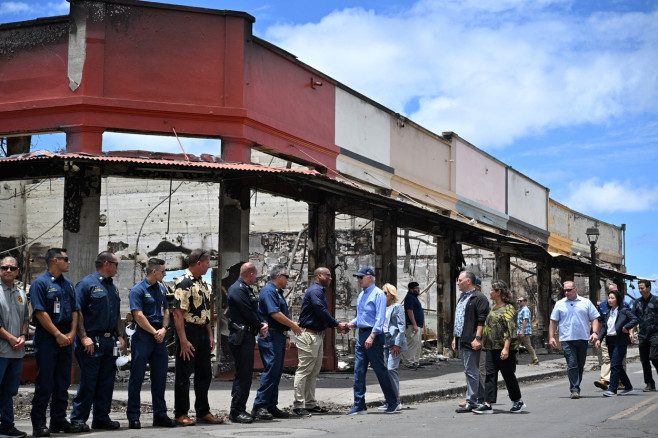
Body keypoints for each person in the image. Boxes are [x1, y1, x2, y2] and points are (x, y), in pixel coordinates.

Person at [69, 251, 125, 431]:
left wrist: (121, 335)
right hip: (92, 340)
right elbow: (77, 313)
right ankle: (78, 419)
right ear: (107, 263)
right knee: (89, 381)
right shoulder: (86, 284)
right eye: (116, 264)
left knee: (106, 382)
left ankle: (101, 417)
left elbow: (116, 314)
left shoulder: (112, 287)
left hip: (109, 342)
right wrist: (84, 337)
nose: (117, 268)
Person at [30, 248, 80, 437]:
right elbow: (40, 313)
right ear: (55, 261)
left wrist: (72, 333)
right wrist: (58, 334)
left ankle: (58, 420)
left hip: (67, 338)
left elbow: (75, 310)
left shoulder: (68, 284)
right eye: (66, 259)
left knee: (62, 382)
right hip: (48, 339)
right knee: (45, 382)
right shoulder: (40, 284)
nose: (69, 262)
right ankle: (39, 423)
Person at [172, 249, 223, 426]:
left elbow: (206, 312)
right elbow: (178, 314)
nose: (210, 266)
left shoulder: (202, 283)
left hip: (202, 331)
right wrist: (184, 341)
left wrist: (210, 335)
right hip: (188, 331)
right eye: (208, 263)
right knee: (184, 375)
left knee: (204, 374)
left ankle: (202, 411)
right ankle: (181, 413)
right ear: (199, 263)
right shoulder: (183, 282)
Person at [126, 258, 176, 429]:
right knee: (137, 377)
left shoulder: (161, 289)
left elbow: (167, 310)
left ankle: (160, 415)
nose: (165, 274)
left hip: (159, 336)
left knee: (160, 378)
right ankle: (133, 416)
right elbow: (138, 315)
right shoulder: (138, 290)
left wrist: (163, 329)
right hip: (143, 336)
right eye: (163, 271)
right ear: (154, 271)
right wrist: (154, 332)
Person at [343, 266, 399, 415]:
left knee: (380, 369)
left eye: (361, 277)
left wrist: (372, 336)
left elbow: (379, 318)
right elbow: (362, 316)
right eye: (358, 277)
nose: (359, 280)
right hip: (362, 335)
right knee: (358, 371)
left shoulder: (378, 294)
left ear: (370, 277)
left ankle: (392, 401)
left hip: (373, 335)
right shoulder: (362, 295)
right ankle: (359, 404)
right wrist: (351, 323)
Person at [251, 265, 302, 420]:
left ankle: (271, 404)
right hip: (270, 336)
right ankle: (260, 406)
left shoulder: (278, 293)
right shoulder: (269, 292)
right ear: (279, 276)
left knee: (277, 371)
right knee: (271, 369)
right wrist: (293, 325)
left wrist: (286, 334)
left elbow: (281, 315)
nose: (288, 280)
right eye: (287, 277)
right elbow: (275, 314)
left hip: (278, 335)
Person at [292, 267, 345, 417]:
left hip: (317, 335)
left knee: (313, 371)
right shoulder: (315, 291)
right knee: (304, 371)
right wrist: (336, 324)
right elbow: (320, 310)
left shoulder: (320, 291)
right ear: (318, 275)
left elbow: (321, 315)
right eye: (328, 275)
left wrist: (336, 325)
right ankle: (298, 405)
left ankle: (310, 404)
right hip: (309, 335)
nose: (330, 278)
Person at [474, 280, 525, 414]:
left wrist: (506, 348)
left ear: (499, 292)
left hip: (504, 348)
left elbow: (510, 330)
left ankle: (518, 401)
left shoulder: (509, 308)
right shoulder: (494, 308)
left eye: (492, 290)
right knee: (490, 375)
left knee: (508, 375)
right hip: (491, 347)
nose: (489, 292)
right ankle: (488, 403)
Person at [227, 262, 268, 424]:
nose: (255, 279)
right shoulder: (237, 289)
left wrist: (259, 324)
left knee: (245, 375)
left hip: (247, 336)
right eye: (255, 276)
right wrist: (260, 325)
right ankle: (236, 411)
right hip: (241, 337)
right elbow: (248, 312)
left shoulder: (244, 288)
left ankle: (239, 408)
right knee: (243, 375)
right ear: (251, 274)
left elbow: (253, 311)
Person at [549, 281, 600, 399]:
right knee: (572, 364)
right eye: (565, 291)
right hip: (567, 339)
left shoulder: (586, 302)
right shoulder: (559, 304)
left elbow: (594, 318)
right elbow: (553, 321)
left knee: (580, 365)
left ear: (575, 290)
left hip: (582, 338)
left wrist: (595, 332)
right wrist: (551, 337)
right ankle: (575, 389)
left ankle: (576, 385)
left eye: (569, 290)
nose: (566, 293)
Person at [0, 257, 29, 438]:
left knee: (9, 391)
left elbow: (26, 319)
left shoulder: (21, 293)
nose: (8, 270)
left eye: (12, 268)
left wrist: (24, 336)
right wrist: (11, 338)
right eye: (4, 267)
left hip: (16, 352)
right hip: (1, 351)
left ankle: (7, 425)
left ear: (18, 271)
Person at [453, 270, 490, 413]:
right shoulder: (462, 297)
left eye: (460, 280)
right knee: (471, 370)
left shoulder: (479, 298)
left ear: (468, 281)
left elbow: (482, 320)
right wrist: (455, 338)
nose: (457, 283)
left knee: (471, 370)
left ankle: (472, 401)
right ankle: (482, 397)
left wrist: (478, 338)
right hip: (461, 338)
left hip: (472, 339)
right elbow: (459, 319)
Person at [595, 288, 637, 396]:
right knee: (617, 365)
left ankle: (612, 389)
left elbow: (635, 319)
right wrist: (599, 339)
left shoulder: (623, 311)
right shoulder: (609, 312)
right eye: (609, 298)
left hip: (620, 341)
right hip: (610, 340)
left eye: (612, 298)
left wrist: (626, 327)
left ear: (617, 299)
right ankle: (628, 386)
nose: (609, 300)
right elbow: (604, 327)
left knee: (614, 365)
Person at [377, 283, 407, 412]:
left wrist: (397, 344)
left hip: (394, 342)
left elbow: (401, 326)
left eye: (386, 293)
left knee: (391, 369)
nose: (383, 295)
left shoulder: (397, 307)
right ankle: (389, 399)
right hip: (383, 341)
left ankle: (397, 399)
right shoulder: (382, 307)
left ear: (391, 294)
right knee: (385, 372)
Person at [632, 280, 658, 392]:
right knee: (644, 360)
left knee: (654, 357)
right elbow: (633, 319)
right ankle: (649, 383)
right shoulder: (637, 303)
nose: (640, 290)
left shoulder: (656, 301)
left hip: (655, 334)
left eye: (642, 288)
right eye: (639, 288)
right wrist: (631, 333)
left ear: (649, 288)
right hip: (643, 335)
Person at [401, 281, 423, 370]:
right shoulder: (409, 298)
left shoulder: (414, 297)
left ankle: (415, 362)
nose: (418, 290)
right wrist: (414, 324)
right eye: (416, 288)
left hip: (418, 325)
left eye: (418, 288)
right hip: (412, 325)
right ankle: (408, 362)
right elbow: (410, 312)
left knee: (417, 344)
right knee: (412, 344)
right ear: (411, 289)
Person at [517, 296, 539, 365]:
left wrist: (522, 331)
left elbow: (525, 320)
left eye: (521, 301)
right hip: (521, 331)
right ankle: (515, 359)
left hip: (524, 332)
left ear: (525, 302)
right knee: (515, 345)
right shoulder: (521, 309)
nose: (519, 302)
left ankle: (535, 360)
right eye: (518, 301)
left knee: (528, 346)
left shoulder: (525, 309)